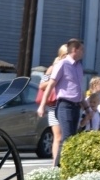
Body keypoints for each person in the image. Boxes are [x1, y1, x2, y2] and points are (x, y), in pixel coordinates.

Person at [37, 38, 87, 167]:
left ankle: (67, 166)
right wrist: (42, 106)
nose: (83, 52)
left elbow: (79, 88)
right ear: (74, 50)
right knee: (66, 137)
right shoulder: (62, 64)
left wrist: (86, 107)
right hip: (64, 105)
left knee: (72, 138)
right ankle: (58, 167)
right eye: (82, 49)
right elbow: (49, 85)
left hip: (76, 106)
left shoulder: (79, 66)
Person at [39, 44, 67, 164]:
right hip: (53, 105)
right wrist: (54, 81)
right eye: (65, 55)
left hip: (66, 104)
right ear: (61, 56)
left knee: (66, 136)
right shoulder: (52, 68)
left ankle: (64, 161)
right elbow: (42, 85)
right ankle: (55, 163)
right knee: (58, 136)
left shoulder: (72, 67)